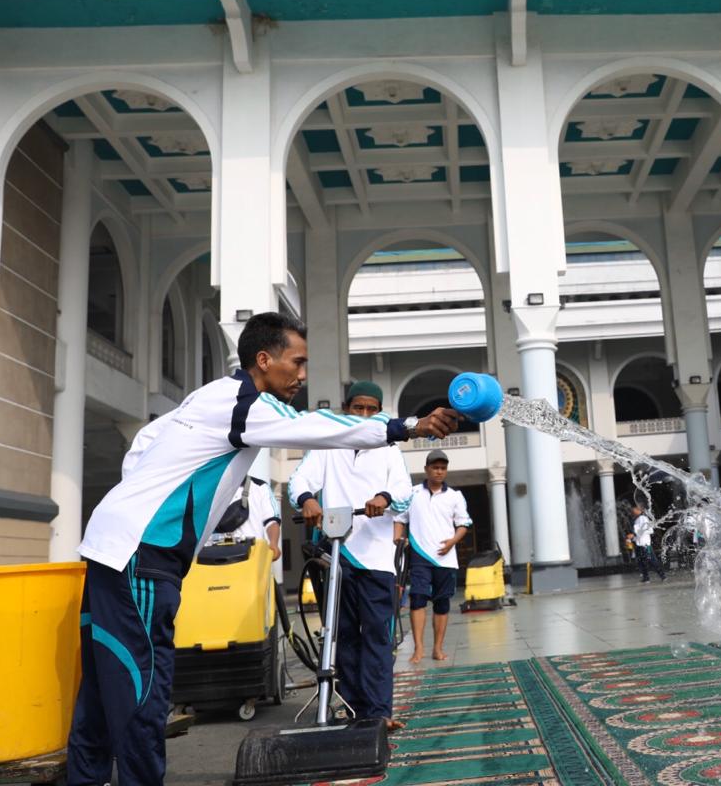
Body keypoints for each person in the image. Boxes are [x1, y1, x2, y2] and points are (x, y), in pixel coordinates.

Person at [67, 312, 459, 786]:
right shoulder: (246, 403)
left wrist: (140, 499)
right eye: (296, 363)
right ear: (263, 359)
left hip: (113, 545)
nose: (301, 375)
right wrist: (407, 426)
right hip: (141, 556)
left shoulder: (212, 395)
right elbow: (316, 426)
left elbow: (145, 442)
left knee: (99, 693)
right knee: (141, 693)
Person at [288, 380, 411, 731]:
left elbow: (404, 491)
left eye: (372, 409)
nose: (366, 415)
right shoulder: (329, 444)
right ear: (347, 409)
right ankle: (355, 708)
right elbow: (299, 479)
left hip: (376, 558)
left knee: (377, 635)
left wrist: (384, 498)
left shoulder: (389, 447)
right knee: (341, 633)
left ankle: (378, 710)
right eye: (359, 408)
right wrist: (308, 500)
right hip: (337, 555)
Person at [394, 449, 471, 663]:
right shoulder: (412, 493)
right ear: (426, 469)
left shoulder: (455, 496)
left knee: (442, 603)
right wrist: (397, 539)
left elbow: (463, 524)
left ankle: (438, 648)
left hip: (446, 559)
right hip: (419, 557)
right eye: (435, 467)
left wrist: (452, 543)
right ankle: (418, 648)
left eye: (442, 468)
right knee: (417, 600)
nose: (439, 471)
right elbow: (400, 518)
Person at [208, 475, 282, 559]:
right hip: (214, 556)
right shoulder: (209, 488)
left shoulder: (260, 486)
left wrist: (273, 543)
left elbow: (271, 521)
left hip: (252, 554)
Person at [627, 504, 666, 583]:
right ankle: (646, 577)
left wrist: (634, 534)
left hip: (645, 544)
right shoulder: (637, 520)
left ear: (639, 510)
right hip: (639, 544)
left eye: (634, 509)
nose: (632, 511)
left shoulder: (643, 518)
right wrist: (632, 538)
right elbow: (639, 532)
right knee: (641, 561)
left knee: (651, 560)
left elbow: (647, 530)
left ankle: (662, 575)